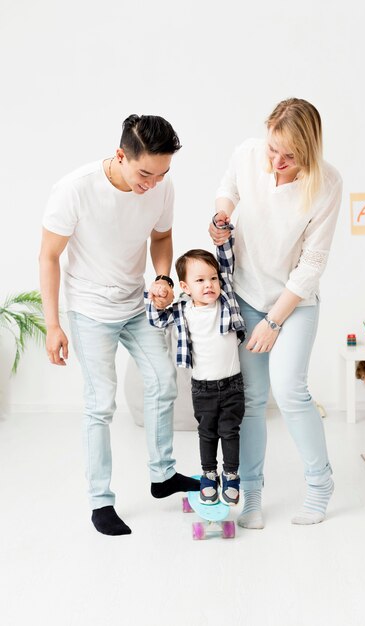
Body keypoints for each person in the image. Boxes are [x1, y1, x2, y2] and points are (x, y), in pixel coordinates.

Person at [39, 114, 199, 536]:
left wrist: (163, 278)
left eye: (162, 174)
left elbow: (161, 238)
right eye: (145, 173)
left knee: (164, 381)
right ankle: (100, 502)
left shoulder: (161, 187)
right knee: (100, 403)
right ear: (120, 156)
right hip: (89, 309)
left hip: (134, 303)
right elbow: (48, 256)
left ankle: (163, 476)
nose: (152, 183)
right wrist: (53, 324)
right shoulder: (74, 190)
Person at [209, 97, 343, 529]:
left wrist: (274, 321)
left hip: (295, 301)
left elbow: (312, 265)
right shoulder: (249, 153)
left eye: (289, 156)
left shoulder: (327, 184)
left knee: (289, 391)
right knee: (250, 400)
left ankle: (320, 485)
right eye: (273, 149)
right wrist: (221, 216)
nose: (277, 162)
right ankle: (251, 496)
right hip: (247, 291)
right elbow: (228, 188)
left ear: (309, 150)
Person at [145, 224, 246, 505]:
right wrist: (157, 298)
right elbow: (156, 319)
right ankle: (208, 475)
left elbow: (225, 262)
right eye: (200, 281)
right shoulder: (181, 310)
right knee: (206, 432)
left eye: (212, 278)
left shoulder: (226, 301)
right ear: (186, 287)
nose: (209, 285)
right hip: (202, 387)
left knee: (230, 431)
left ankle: (232, 474)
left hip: (232, 384)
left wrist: (223, 234)